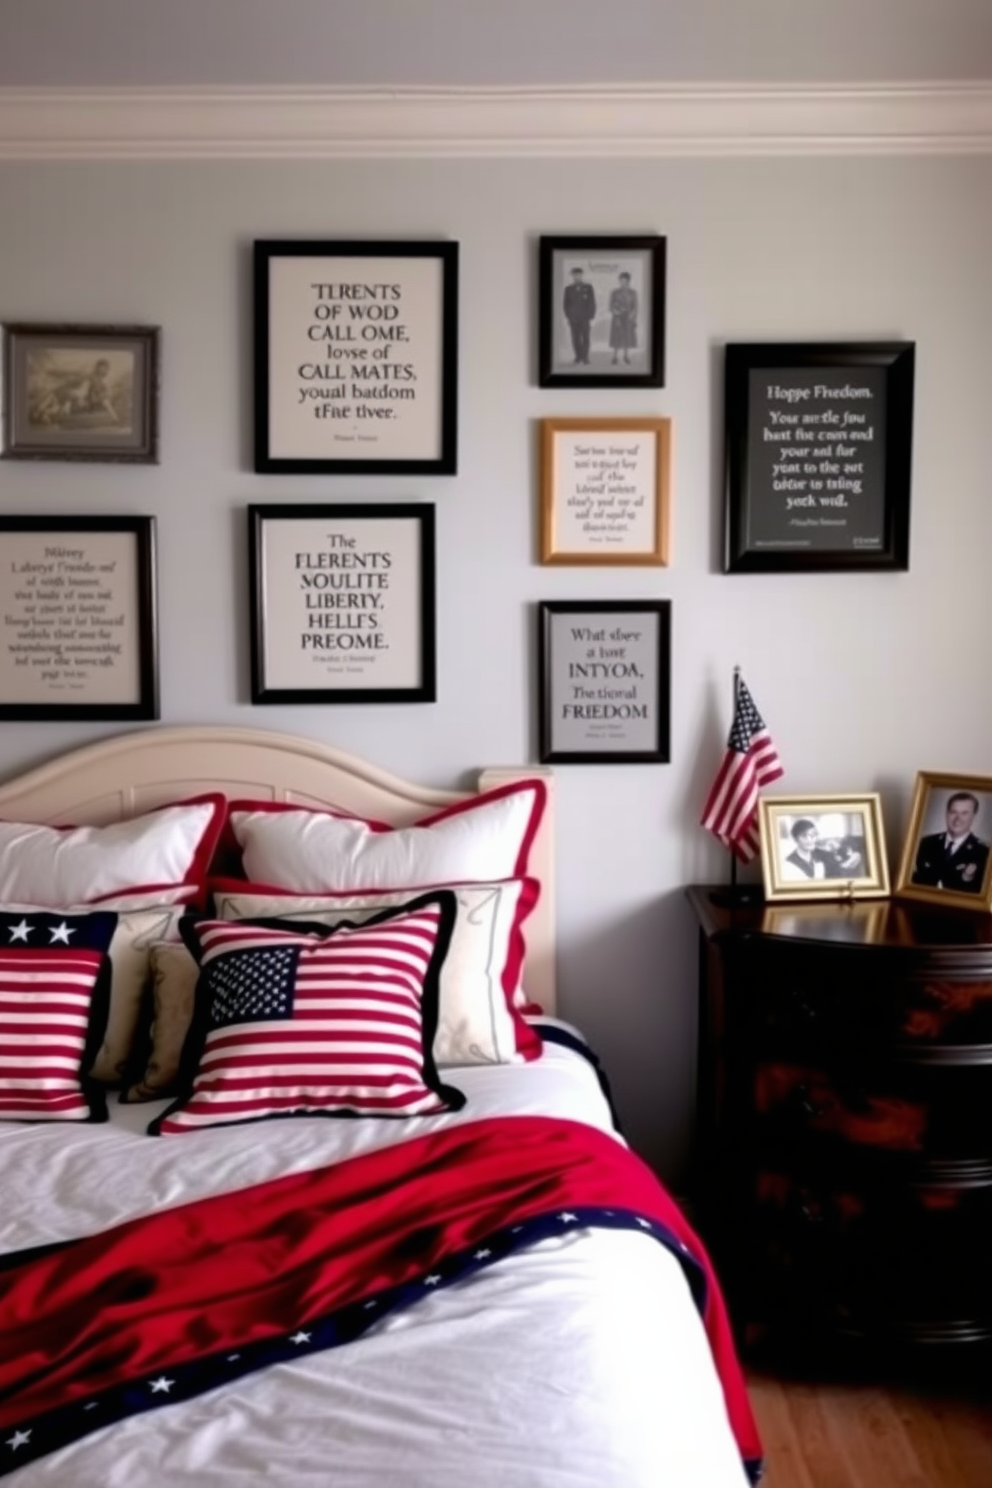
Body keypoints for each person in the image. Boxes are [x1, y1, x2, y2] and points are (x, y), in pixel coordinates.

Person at [912, 791, 990, 893]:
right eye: (953, 812)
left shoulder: (984, 853)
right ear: (947, 813)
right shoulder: (926, 843)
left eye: (964, 813)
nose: (957, 819)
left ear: (974, 817)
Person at [781, 819, 864, 882]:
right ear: (795, 839)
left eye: (813, 835)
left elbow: (836, 877)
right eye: (804, 836)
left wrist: (855, 855)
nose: (810, 840)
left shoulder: (824, 855)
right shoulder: (789, 863)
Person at [562, 266, 596, 366]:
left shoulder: (588, 287)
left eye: (579, 275)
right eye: (575, 275)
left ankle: (585, 357)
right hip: (573, 318)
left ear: (582, 275)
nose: (577, 277)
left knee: (586, 337)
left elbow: (592, 303)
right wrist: (568, 317)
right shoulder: (568, 289)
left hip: (585, 318)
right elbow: (565, 304)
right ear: (572, 276)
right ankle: (578, 357)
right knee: (575, 338)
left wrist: (591, 317)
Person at [608, 270, 638, 365]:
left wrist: (632, 316)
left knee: (627, 337)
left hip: (628, 318)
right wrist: (616, 312)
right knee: (617, 337)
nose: (623, 282)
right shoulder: (615, 292)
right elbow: (611, 306)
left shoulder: (633, 293)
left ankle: (626, 356)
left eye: (625, 281)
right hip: (618, 318)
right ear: (619, 281)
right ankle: (615, 357)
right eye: (622, 280)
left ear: (628, 281)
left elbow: (635, 307)